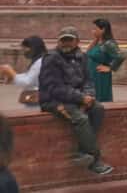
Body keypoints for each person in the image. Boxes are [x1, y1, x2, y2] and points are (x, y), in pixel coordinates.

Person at [38, 26, 113, 175]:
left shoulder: (81, 56)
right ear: (58, 42)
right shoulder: (51, 58)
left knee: (98, 109)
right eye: (63, 40)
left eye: (69, 40)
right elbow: (55, 88)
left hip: (75, 98)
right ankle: (95, 160)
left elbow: (88, 81)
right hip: (54, 101)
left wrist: (89, 97)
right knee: (80, 118)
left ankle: (82, 150)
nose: (66, 43)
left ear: (77, 41)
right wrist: (81, 98)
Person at [0, 36, 47, 106]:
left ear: (34, 48)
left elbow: (27, 82)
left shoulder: (40, 62)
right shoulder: (40, 59)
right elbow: (29, 76)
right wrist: (12, 77)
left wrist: (11, 72)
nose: (24, 51)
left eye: (25, 48)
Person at [85, 19, 123, 103]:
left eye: (95, 29)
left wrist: (110, 68)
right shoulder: (98, 42)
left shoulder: (108, 43)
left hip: (100, 77)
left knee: (100, 100)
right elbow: (87, 53)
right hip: (92, 76)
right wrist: (95, 39)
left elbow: (120, 56)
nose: (92, 31)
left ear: (103, 29)